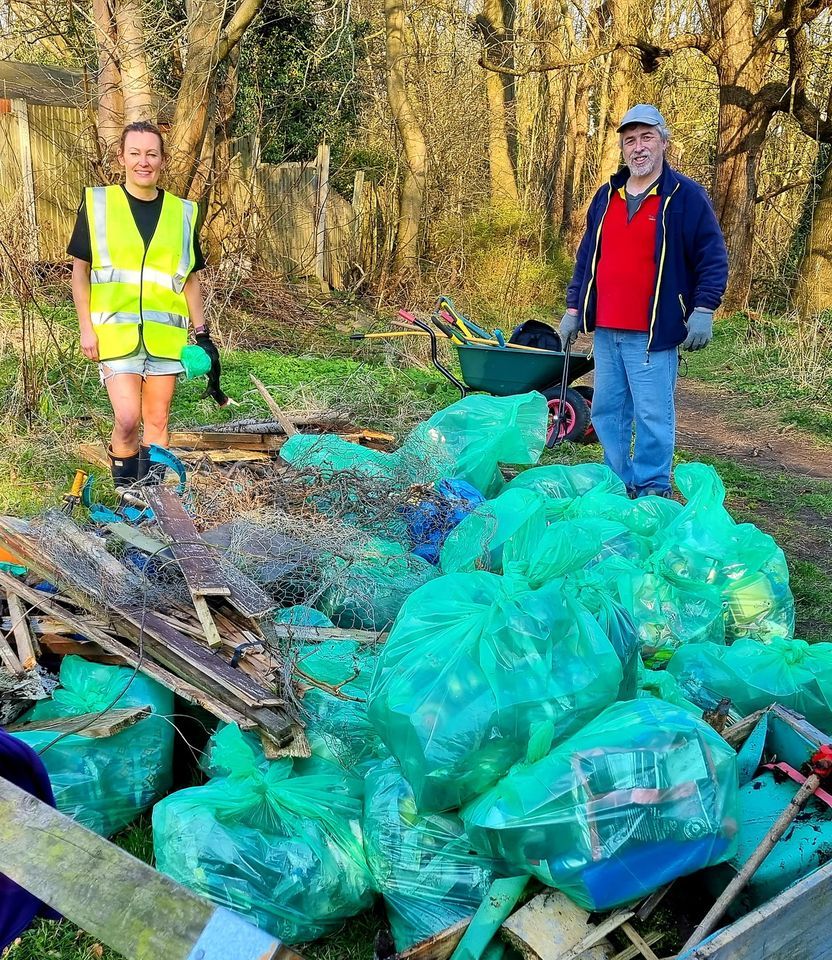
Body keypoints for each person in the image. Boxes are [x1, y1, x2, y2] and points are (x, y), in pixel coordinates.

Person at [560, 105, 728, 498]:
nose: (638, 148)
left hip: (653, 334)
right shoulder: (607, 196)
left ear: (664, 143)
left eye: (647, 138)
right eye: (630, 140)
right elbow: (587, 257)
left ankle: (653, 489)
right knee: (607, 411)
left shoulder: (685, 196)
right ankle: (618, 485)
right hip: (606, 329)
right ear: (622, 147)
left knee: (653, 415)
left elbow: (712, 255)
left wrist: (704, 309)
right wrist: (572, 310)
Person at [68, 119, 220, 485]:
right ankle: (125, 490)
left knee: (157, 420)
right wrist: (85, 328)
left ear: (163, 160)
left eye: (151, 153)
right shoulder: (98, 204)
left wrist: (201, 334)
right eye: (135, 153)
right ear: (121, 157)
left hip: (164, 338)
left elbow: (189, 279)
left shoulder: (182, 213)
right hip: (114, 335)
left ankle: (149, 502)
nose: (143, 161)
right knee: (127, 418)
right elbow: (79, 271)